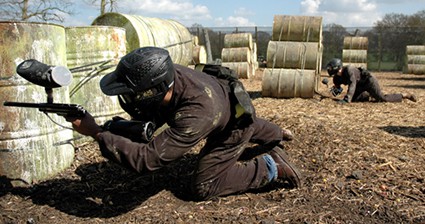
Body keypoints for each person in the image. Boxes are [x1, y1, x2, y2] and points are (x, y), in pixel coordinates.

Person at [67, 46, 302, 200]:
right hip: (227, 104)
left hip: (230, 124)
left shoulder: (197, 114)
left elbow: (146, 160)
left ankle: (272, 165)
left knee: (205, 185)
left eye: (133, 94)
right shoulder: (167, 73)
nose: (129, 99)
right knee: (247, 122)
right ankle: (278, 133)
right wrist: (120, 129)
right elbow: (153, 116)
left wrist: (96, 132)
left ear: (156, 90)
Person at [325, 58, 417, 103]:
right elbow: (337, 89)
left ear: (337, 67)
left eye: (331, 67)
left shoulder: (349, 70)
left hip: (369, 81)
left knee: (382, 99)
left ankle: (404, 95)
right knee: (356, 99)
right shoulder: (336, 78)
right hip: (359, 86)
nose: (329, 69)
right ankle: (369, 94)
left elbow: (352, 84)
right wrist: (334, 91)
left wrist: (346, 99)